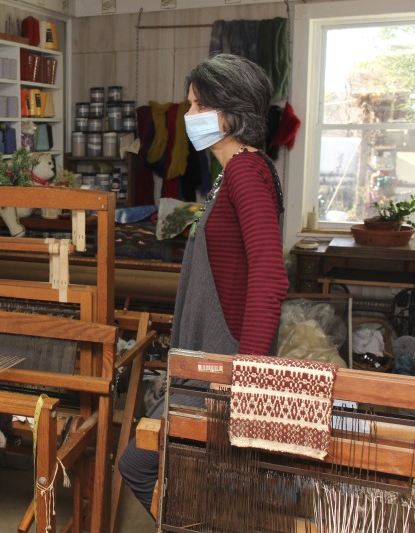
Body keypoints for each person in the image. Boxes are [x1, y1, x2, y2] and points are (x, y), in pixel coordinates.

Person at [118, 53, 289, 517]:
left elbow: (270, 276)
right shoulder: (231, 173)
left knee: (139, 464)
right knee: (180, 472)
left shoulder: (246, 172)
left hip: (224, 365)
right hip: (210, 360)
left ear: (232, 113)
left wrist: (244, 377)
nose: (188, 117)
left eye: (197, 107)